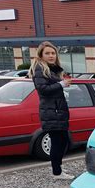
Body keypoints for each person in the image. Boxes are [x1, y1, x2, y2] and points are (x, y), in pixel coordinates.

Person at [28, 41, 74, 180]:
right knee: (58, 142)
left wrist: (63, 88)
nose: (51, 55)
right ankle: (57, 172)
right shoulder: (39, 69)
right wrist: (61, 84)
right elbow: (43, 90)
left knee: (63, 140)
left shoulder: (53, 69)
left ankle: (57, 167)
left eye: (53, 53)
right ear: (41, 55)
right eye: (47, 53)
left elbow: (52, 89)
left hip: (57, 111)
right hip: (51, 112)